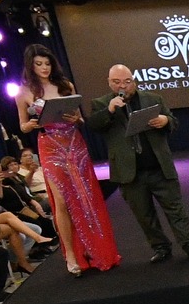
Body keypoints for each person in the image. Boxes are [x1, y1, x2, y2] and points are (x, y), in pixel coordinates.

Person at [16, 46, 121, 277]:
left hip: (74, 143)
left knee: (85, 197)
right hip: (49, 145)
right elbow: (22, 125)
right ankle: (71, 255)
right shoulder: (23, 92)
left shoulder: (65, 86)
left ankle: (95, 248)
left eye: (47, 63)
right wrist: (30, 125)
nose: (44, 68)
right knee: (62, 201)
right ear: (30, 66)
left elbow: (79, 118)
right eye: (39, 64)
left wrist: (76, 119)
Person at [86, 64, 189, 262]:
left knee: (175, 208)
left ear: (134, 81)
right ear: (109, 82)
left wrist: (165, 120)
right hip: (129, 172)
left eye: (127, 81)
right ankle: (161, 247)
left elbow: (173, 121)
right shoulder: (101, 103)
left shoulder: (153, 98)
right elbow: (94, 125)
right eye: (117, 82)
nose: (123, 86)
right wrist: (110, 110)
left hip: (158, 166)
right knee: (144, 215)